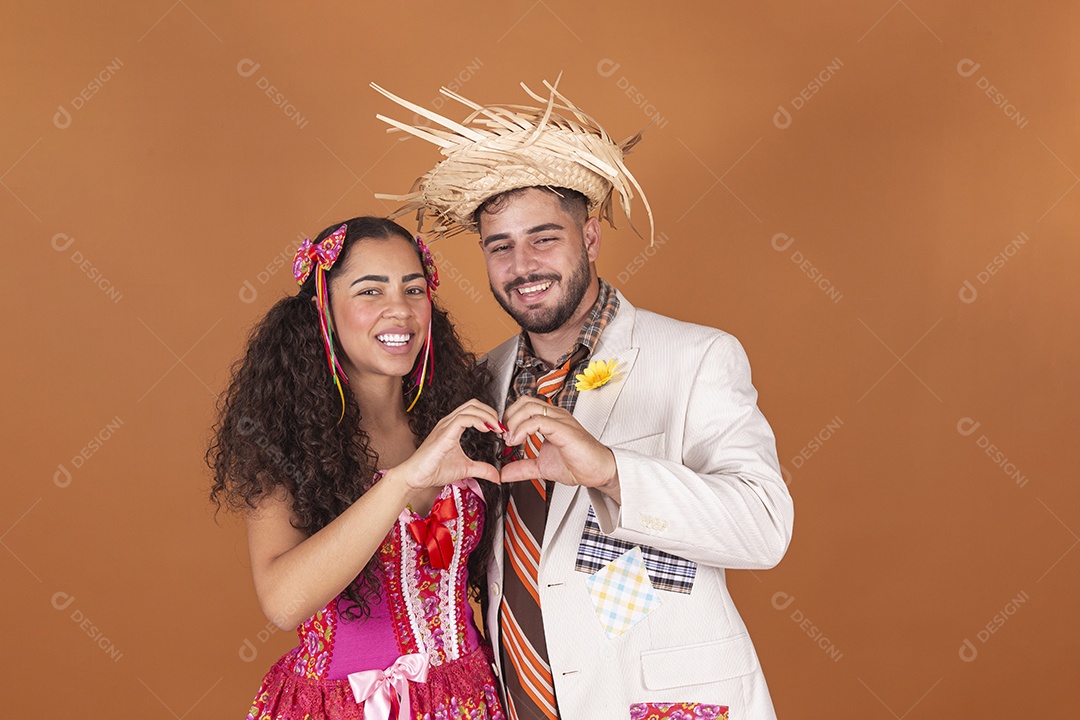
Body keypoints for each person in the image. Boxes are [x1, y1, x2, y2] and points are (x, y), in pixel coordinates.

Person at [373, 80, 795, 719]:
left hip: (659, 701)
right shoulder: (475, 383)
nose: (522, 266)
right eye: (500, 247)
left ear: (590, 238)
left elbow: (764, 529)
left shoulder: (695, 357)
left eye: (544, 238)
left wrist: (611, 471)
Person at [208, 216, 508, 720]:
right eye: (370, 291)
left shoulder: (461, 415)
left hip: (469, 697)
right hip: (347, 704)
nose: (400, 310)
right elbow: (282, 602)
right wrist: (407, 479)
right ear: (323, 308)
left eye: (414, 289)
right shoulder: (283, 436)